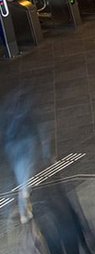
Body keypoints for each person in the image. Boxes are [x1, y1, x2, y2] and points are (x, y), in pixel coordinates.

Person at [2, 89, 48, 219]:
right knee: (24, 181)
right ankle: (24, 210)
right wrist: (45, 150)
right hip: (25, 150)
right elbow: (37, 130)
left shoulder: (7, 113)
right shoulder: (27, 113)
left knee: (19, 178)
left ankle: (22, 208)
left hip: (13, 150)